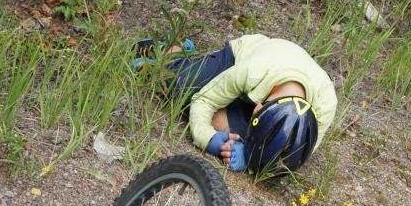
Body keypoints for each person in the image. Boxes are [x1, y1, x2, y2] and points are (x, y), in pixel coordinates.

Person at [134, 34, 337, 173]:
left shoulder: (325, 106)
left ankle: (200, 71)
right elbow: (203, 101)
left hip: (273, 77)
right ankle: (175, 55)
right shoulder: (253, 70)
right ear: (257, 108)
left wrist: (250, 158)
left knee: (228, 130)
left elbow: (296, 154)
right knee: (182, 88)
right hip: (238, 59)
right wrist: (209, 139)